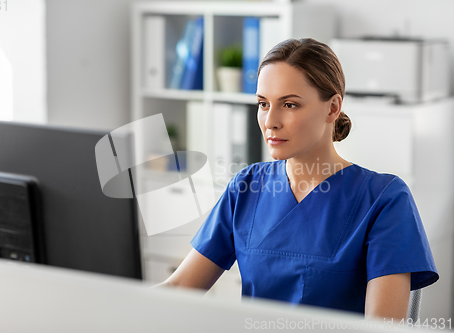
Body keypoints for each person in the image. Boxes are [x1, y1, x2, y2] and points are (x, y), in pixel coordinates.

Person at [153, 38, 439, 320]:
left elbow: (381, 328)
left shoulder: (384, 200)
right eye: (263, 104)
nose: (270, 121)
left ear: (332, 108)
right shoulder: (246, 188)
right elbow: (179, 287)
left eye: (289, 105)